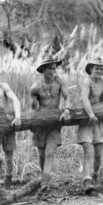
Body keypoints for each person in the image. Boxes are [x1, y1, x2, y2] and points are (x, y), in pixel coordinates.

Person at [30, 56, 71, 189]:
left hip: (55, 121)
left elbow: (67, 97)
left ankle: (45, 182)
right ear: (43, 69)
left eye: (54, 68)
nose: (53, 71)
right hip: (41, 123)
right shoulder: (35, 87)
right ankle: (44, 177)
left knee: (50, 152)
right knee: (41, 154)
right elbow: (33, 108)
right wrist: (32, 122)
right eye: (49, 68)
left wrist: (66, 110)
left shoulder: (60, 82)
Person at [78, 57, 103, 194]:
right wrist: (91, 114)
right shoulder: (87, 81)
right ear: (91, 69)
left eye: (101, 69)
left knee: (98, 153)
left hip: (99, 121)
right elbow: (84, 98)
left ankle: (95, 174)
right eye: (96, 68)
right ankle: (87, 180)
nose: (99, 71)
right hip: (86, 119)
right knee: (88, 150)